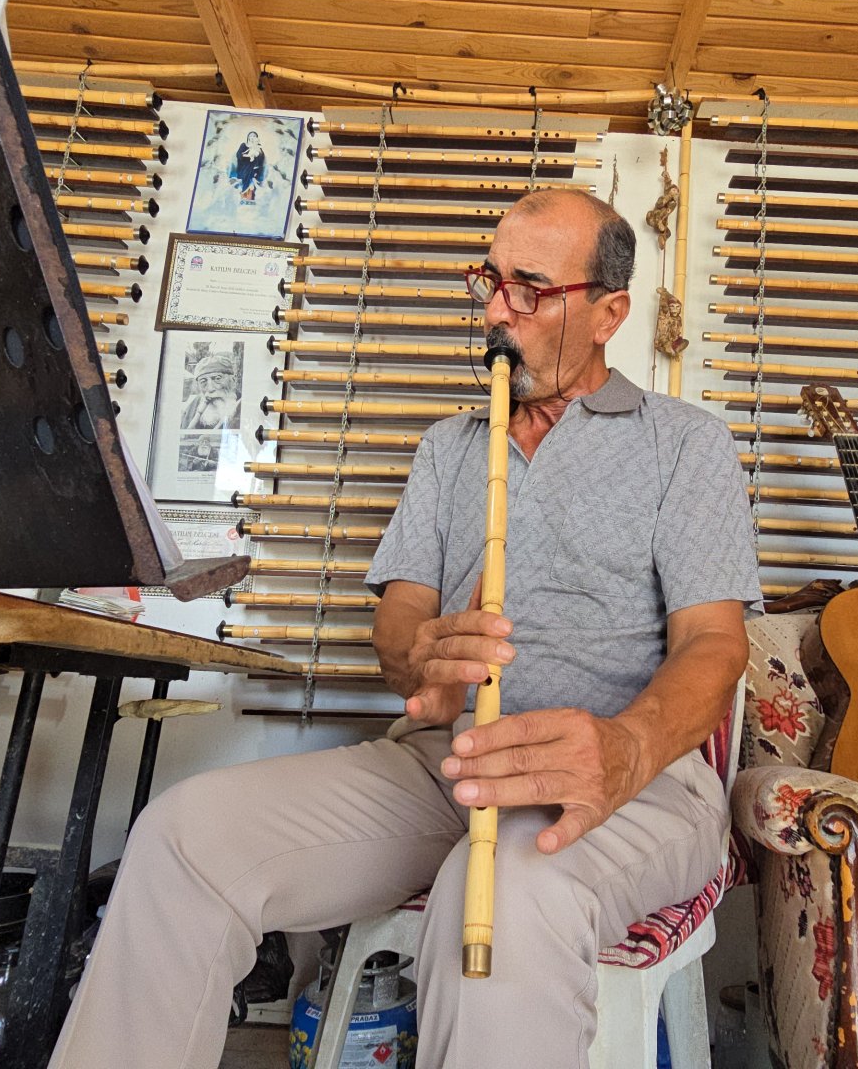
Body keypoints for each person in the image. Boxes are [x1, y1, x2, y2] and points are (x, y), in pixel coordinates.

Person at [49, 189, 761, 1069]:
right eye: (489, 282)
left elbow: (713, 645)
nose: (495, 313)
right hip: (448, 762)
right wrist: (423, 657)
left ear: (609, 314)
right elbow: (401, 623)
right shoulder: (450, 447)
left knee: (500, 896)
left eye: (530, 290)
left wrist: (628, 745)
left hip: (635, 779)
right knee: (183, 837)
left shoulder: (685, 444)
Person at [230, 130, 267, 202]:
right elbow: (238, 154)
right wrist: (247, 155)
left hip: (254, 169)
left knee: (253, 183)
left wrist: (258, 154)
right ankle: (244, 198)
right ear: (248, 137)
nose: (252, 137)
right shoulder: (244, 145)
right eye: (251, 136)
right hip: (245, 168)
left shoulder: (258, 147)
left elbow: (261, 158)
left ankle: (251, 199)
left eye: (254, 136)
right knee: (246, 182)